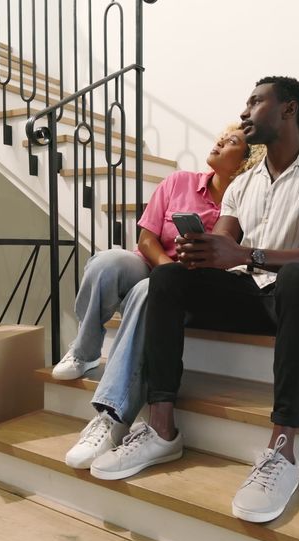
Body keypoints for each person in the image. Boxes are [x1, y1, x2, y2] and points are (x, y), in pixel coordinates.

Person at [88, 76, 299, 525]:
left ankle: (282, 449)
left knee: (296, 277)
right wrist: (201, 251)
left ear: (288, 109)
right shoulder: (242, 184)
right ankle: (162, 427)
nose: (245, 111)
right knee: (168, 277)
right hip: (249, 295)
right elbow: (224, 244)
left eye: (256, 101)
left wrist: (246, 254)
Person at [52, 124, 266, 469]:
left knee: (147, 292)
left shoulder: (243, 206)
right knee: (107, 262)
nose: (219, 142)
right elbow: (146, 240)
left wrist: (170, 283)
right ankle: (84, 351)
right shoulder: (178, 182)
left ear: (246, 162)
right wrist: (166, 272)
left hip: (187, 290)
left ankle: (111, 416)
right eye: (222, 136)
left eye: (231, 142)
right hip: (153, 264)